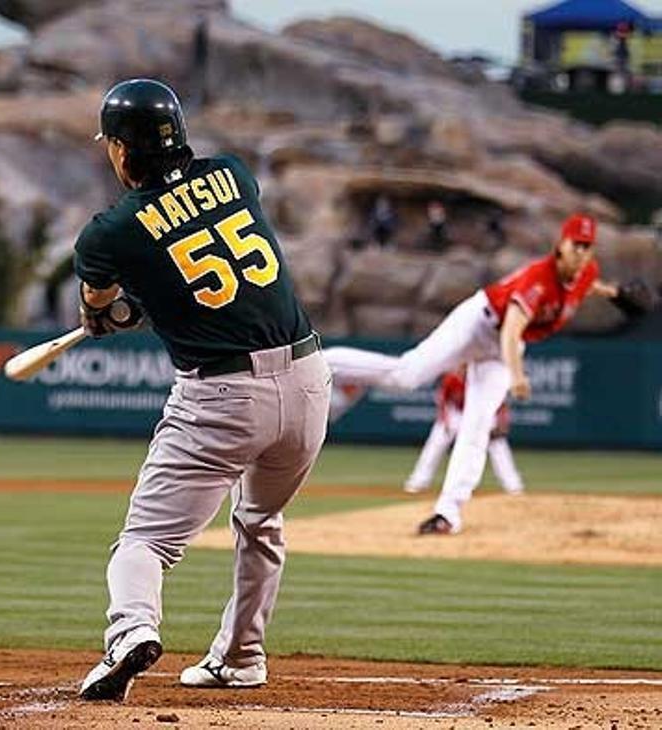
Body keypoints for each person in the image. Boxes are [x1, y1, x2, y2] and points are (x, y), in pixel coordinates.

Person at [73, 78, 331, 700]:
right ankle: (241, 657)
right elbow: (196, 255)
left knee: (145, 541)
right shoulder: (233, 174)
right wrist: (137, 305)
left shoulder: (110, 231)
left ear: (120, 149)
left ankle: (131, 628)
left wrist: (106, 313)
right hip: (306, 383)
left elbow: (99, 302)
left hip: (224, 397)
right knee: (262, 519)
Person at [324, 213, 629, 535]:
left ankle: (448, 513)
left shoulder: (586, 272)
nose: (581, 252)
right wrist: (518, 375)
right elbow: (511, 331)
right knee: (406, 375)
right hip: (479, 325)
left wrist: (615, 293)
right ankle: (325, 361)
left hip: (500, 350)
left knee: (478, 424)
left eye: (587, 246)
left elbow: (584, 286)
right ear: (561, 246)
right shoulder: (539, 280)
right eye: (576, 245)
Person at [403, 368, 523, 496]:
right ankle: (418, 481)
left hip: (481, 413)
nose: (464, 369)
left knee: (497, 444)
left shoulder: (487, 379)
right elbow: (443, 401)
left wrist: (501, 424)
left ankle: (513, 486)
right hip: (457, 414)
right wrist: (445, 421)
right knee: (437, 440)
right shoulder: (452, 378)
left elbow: (501, 404)